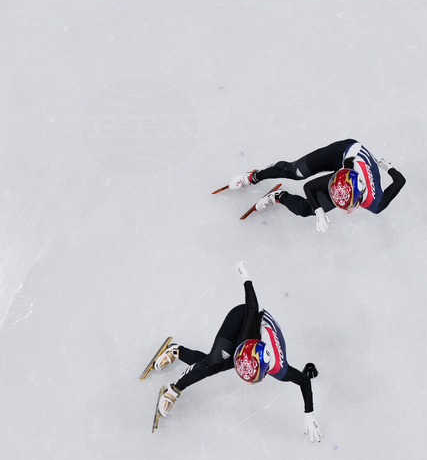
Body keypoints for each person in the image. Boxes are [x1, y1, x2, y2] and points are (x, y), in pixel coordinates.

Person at [148, 262, 323, 443]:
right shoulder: (245, 339)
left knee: (214, 364)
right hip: (243, 317)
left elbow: (303, 380)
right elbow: (251, 307)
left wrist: (309, 414)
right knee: (214, 363)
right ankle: (174, 389)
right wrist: (246, 279)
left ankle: (177, 351)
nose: (249, 383)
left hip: (257, 333)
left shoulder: (279, 368)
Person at [230, 139, 405, 231]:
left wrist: (389, 168)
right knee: (295, 172)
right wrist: (320, 211)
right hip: (345, 151)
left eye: (346, 206)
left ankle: (278, 196)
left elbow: (400, 181)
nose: (344, 210)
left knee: (306, 210)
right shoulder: (340, 180)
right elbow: (309, 187)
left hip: (356, 166)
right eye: (342, 206)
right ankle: (255, 176)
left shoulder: (376, 203)